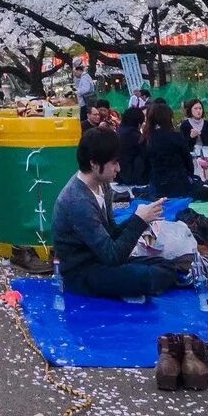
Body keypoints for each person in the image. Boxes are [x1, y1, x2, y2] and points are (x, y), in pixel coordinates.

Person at [53, 127, 175, 298]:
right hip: (82, 272)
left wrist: (141, 216)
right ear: (94, 164)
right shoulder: (77, 201)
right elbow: (113, 256)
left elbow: (111, 234)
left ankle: (156, 281)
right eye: (114, 163)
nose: (118, 168)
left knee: (165, 264)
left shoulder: (102, 184)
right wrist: (139, 221)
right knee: (145, 277)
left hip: (101, 259)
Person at [142, 101, 198, 198]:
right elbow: (188, 161)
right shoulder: (176, 136)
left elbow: (145, 164)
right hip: (179, 184)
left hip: (156, 186)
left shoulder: (147, 138)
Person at [117, 104, 151, 190]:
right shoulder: (134, 135)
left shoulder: (119, 131)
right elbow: (147, 153)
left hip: (119, 174)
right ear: (138, 123)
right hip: (133, 175)